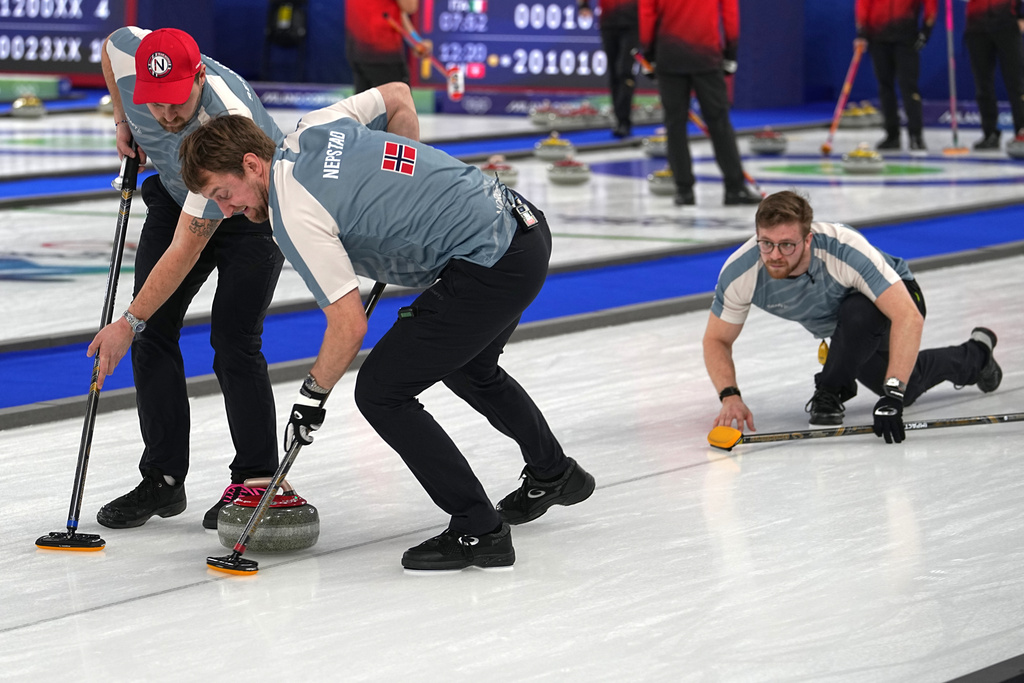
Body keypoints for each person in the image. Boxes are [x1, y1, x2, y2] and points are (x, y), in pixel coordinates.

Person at [171, 83, 596, 571]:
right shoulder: (315, 126)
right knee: (469, 366)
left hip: (492, 261)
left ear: (251, 164)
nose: (227, 211)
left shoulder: (293, 214)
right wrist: (405, 184)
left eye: (224, 195)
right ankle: (555, 473)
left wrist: (311, 397)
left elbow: (348, 326)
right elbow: (397, 96)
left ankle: (480, 531)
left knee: (380, 391)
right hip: (522, 226)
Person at [88, 27, 286, 530]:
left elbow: (186, 246)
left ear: (198, 76)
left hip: (251, 213)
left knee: (234, 341)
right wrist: (122, 119)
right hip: (180, 197)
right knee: (152, 334)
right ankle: (163, 479)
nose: (168, 115)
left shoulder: (226, 118)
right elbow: (112, 47)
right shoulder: (128, 55)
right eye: (155, 104)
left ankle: (257, 479)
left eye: (177, 101)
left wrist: (126, 320)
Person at [703, 190, 1002, 443]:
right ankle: (977, 355)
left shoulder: (842, 249)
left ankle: (831, 390)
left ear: (808, 240)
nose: (775, 255)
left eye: (787, 245)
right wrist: (730, 396)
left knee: (860, 313)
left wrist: (891, 394)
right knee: (909, 387)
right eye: (766, 243)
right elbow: (717, 339)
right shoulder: (741, 272)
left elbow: (907, 317)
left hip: (897, 300)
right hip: (845, 331)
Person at [637, 0, 761, 207]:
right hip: (706, 55)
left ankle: (684, 191)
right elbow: (729, 12)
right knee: (719, 122)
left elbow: (647, 13)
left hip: (669, 54)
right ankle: (734, 187)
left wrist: (649, 52)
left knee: (675, 124)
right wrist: (731, 52)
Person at [855, 0, 937, 151]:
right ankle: (892, 135)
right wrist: (862, 30)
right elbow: (863, 3)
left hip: (905, 38)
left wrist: (927, 29)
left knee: (909, 86)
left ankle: (916, 135)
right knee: (885, 86)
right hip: (878, 37)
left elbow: (930, 3)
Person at [964, 0, 1024, 150]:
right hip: (976, 26)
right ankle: (990, 133)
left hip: (1006, 22)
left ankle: (1022, 130)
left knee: (1016, 82)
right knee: (982, 84)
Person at [578, 0, 640, 138]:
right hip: (609, 22)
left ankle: (624, 121)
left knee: (625, 70)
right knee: (614, 72)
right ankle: (619, 119)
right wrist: (583, 5)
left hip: (633, 23)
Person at [346, 0, 431, 93]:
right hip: (383, 53)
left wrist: (415, 40)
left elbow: (390, 11)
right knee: (400, 105)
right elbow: (410, 7)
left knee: (365, 105)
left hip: (357, 51)